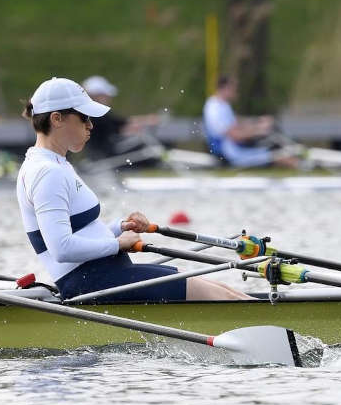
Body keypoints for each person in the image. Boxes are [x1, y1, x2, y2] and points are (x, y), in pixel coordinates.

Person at [16, 77, 251, 302]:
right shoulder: (46, 173)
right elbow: (62, 249)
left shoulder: (55, 164)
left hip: (104, 274)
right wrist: (118, 244)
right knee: (219, 296)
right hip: (91, 283)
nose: (90, 125)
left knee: (223, 289)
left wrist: (119, 228)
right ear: (56, 119)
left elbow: (81, 233)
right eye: (84, 118)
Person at [203, 75, 298, 168]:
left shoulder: (223, 105)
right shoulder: (214, 108)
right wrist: (259, 131)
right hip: (230, 153)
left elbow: (237, 124)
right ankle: (302, 164)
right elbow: (234, 135)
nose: (237, 91)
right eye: (234, 88)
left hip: (233, 148)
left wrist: (259, 122)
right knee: (277, 155)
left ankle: (299, 158)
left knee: (273, 147)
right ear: (226, 88)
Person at [80, 75, 161, 159]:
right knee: (145, 142)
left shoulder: (90, 113)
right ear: (96, 96)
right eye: (105, 95)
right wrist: (147, 122)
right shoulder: (97, 114)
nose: (109, 98)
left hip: (100, 153)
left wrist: (147, 120)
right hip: (106, 154)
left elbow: (122, 122)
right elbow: (122, 126)